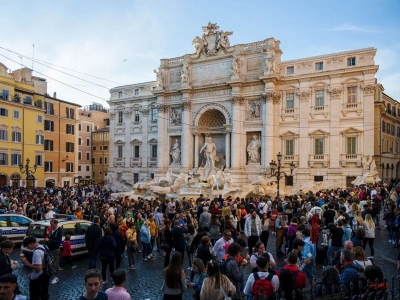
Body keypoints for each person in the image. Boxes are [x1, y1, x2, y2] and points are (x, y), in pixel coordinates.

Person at [21, 236, 50, 300]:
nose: (28, 248)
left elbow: (38, 267)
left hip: (38, 277)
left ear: (31, 244)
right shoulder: (44, 246)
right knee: (44, 293)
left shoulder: (36, 252)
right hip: (46, 273)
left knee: (35, 295)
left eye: (27, 246)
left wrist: (27, 263)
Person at [46, 219, 63, 284]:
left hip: (55, 248)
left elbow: (59, 241)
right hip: (50, 248)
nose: (51, 225)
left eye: (52, 224)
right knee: (50, 262)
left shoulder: (59, 230)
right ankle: (51, 274)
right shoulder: (51, 230)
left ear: (56, 224)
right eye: (50, 224)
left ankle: (56, 277)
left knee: (55, 262)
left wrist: (49, 240)